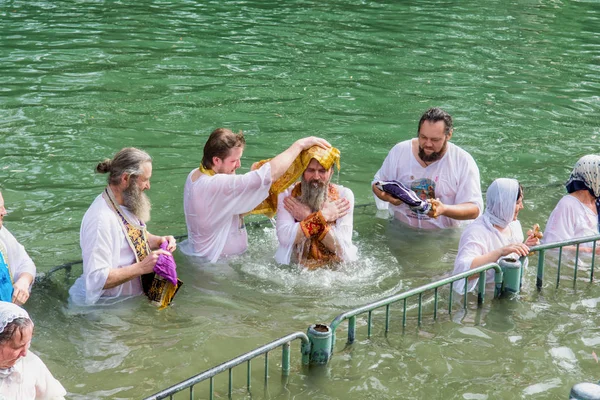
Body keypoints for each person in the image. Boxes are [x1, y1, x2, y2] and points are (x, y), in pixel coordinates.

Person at [181, 128, 330, 263]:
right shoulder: (216, 184)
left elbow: (235, 204)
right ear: (216, 160)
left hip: (211, 259)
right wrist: (299, 145)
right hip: (218, 266)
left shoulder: (195, 174)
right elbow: (266, 176)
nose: (238, 165)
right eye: (233, 161)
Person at [69, 148, 177, 306]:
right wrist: (141, 267)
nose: (148, 186)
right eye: (145, 179)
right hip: (106, 308)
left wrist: (158, 240)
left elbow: (133, 237)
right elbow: (96, 279)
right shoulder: (101, 219)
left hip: (130, 301)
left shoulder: (125, 203)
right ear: (126, 178)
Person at [372, 107, 483, 229]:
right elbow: (377, 184)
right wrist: (388, 198)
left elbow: (474, 209)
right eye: (423, 137)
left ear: (449, 135)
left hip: (443, 236)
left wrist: (443, 209)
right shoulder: (400, 151)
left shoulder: (462, 161)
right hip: (400, 228)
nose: (428, 144)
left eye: (435, 140)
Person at [275, 146, 357, 268]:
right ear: (301, 171)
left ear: (331, 172)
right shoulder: (288, 194)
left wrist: (308, 217)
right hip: (295, 267)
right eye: (310, 170)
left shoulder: (343, 196)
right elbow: (285, 238)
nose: (316, 177)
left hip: (332, 269)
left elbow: (341, 248)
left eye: (322, 171)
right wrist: (323, 216)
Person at [452, 178, 539, 294]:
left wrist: (525, 247)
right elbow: (462, 272)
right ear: (503, 203)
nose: (522, 207)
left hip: (508, 291)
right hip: (480, 297)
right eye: (518, 203)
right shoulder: (476, 231)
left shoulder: (514, 226)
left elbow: (514, 261)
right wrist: (500, 252)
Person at [0, 301, 66, 399]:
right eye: (17, 347)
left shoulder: (30, 363)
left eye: (27, 344)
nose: (24, 353)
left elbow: (54, 397)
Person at [543, 155, 600, 252]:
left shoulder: (597, 203)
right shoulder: (567, 205)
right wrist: (591, 251)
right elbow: (552, 247)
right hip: (576, 265)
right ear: (591, 178)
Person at [0, 192, 36, 306]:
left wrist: (23, 281)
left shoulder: (2, 234)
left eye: (3, 207)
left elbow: (25, 262)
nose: (4, 212)